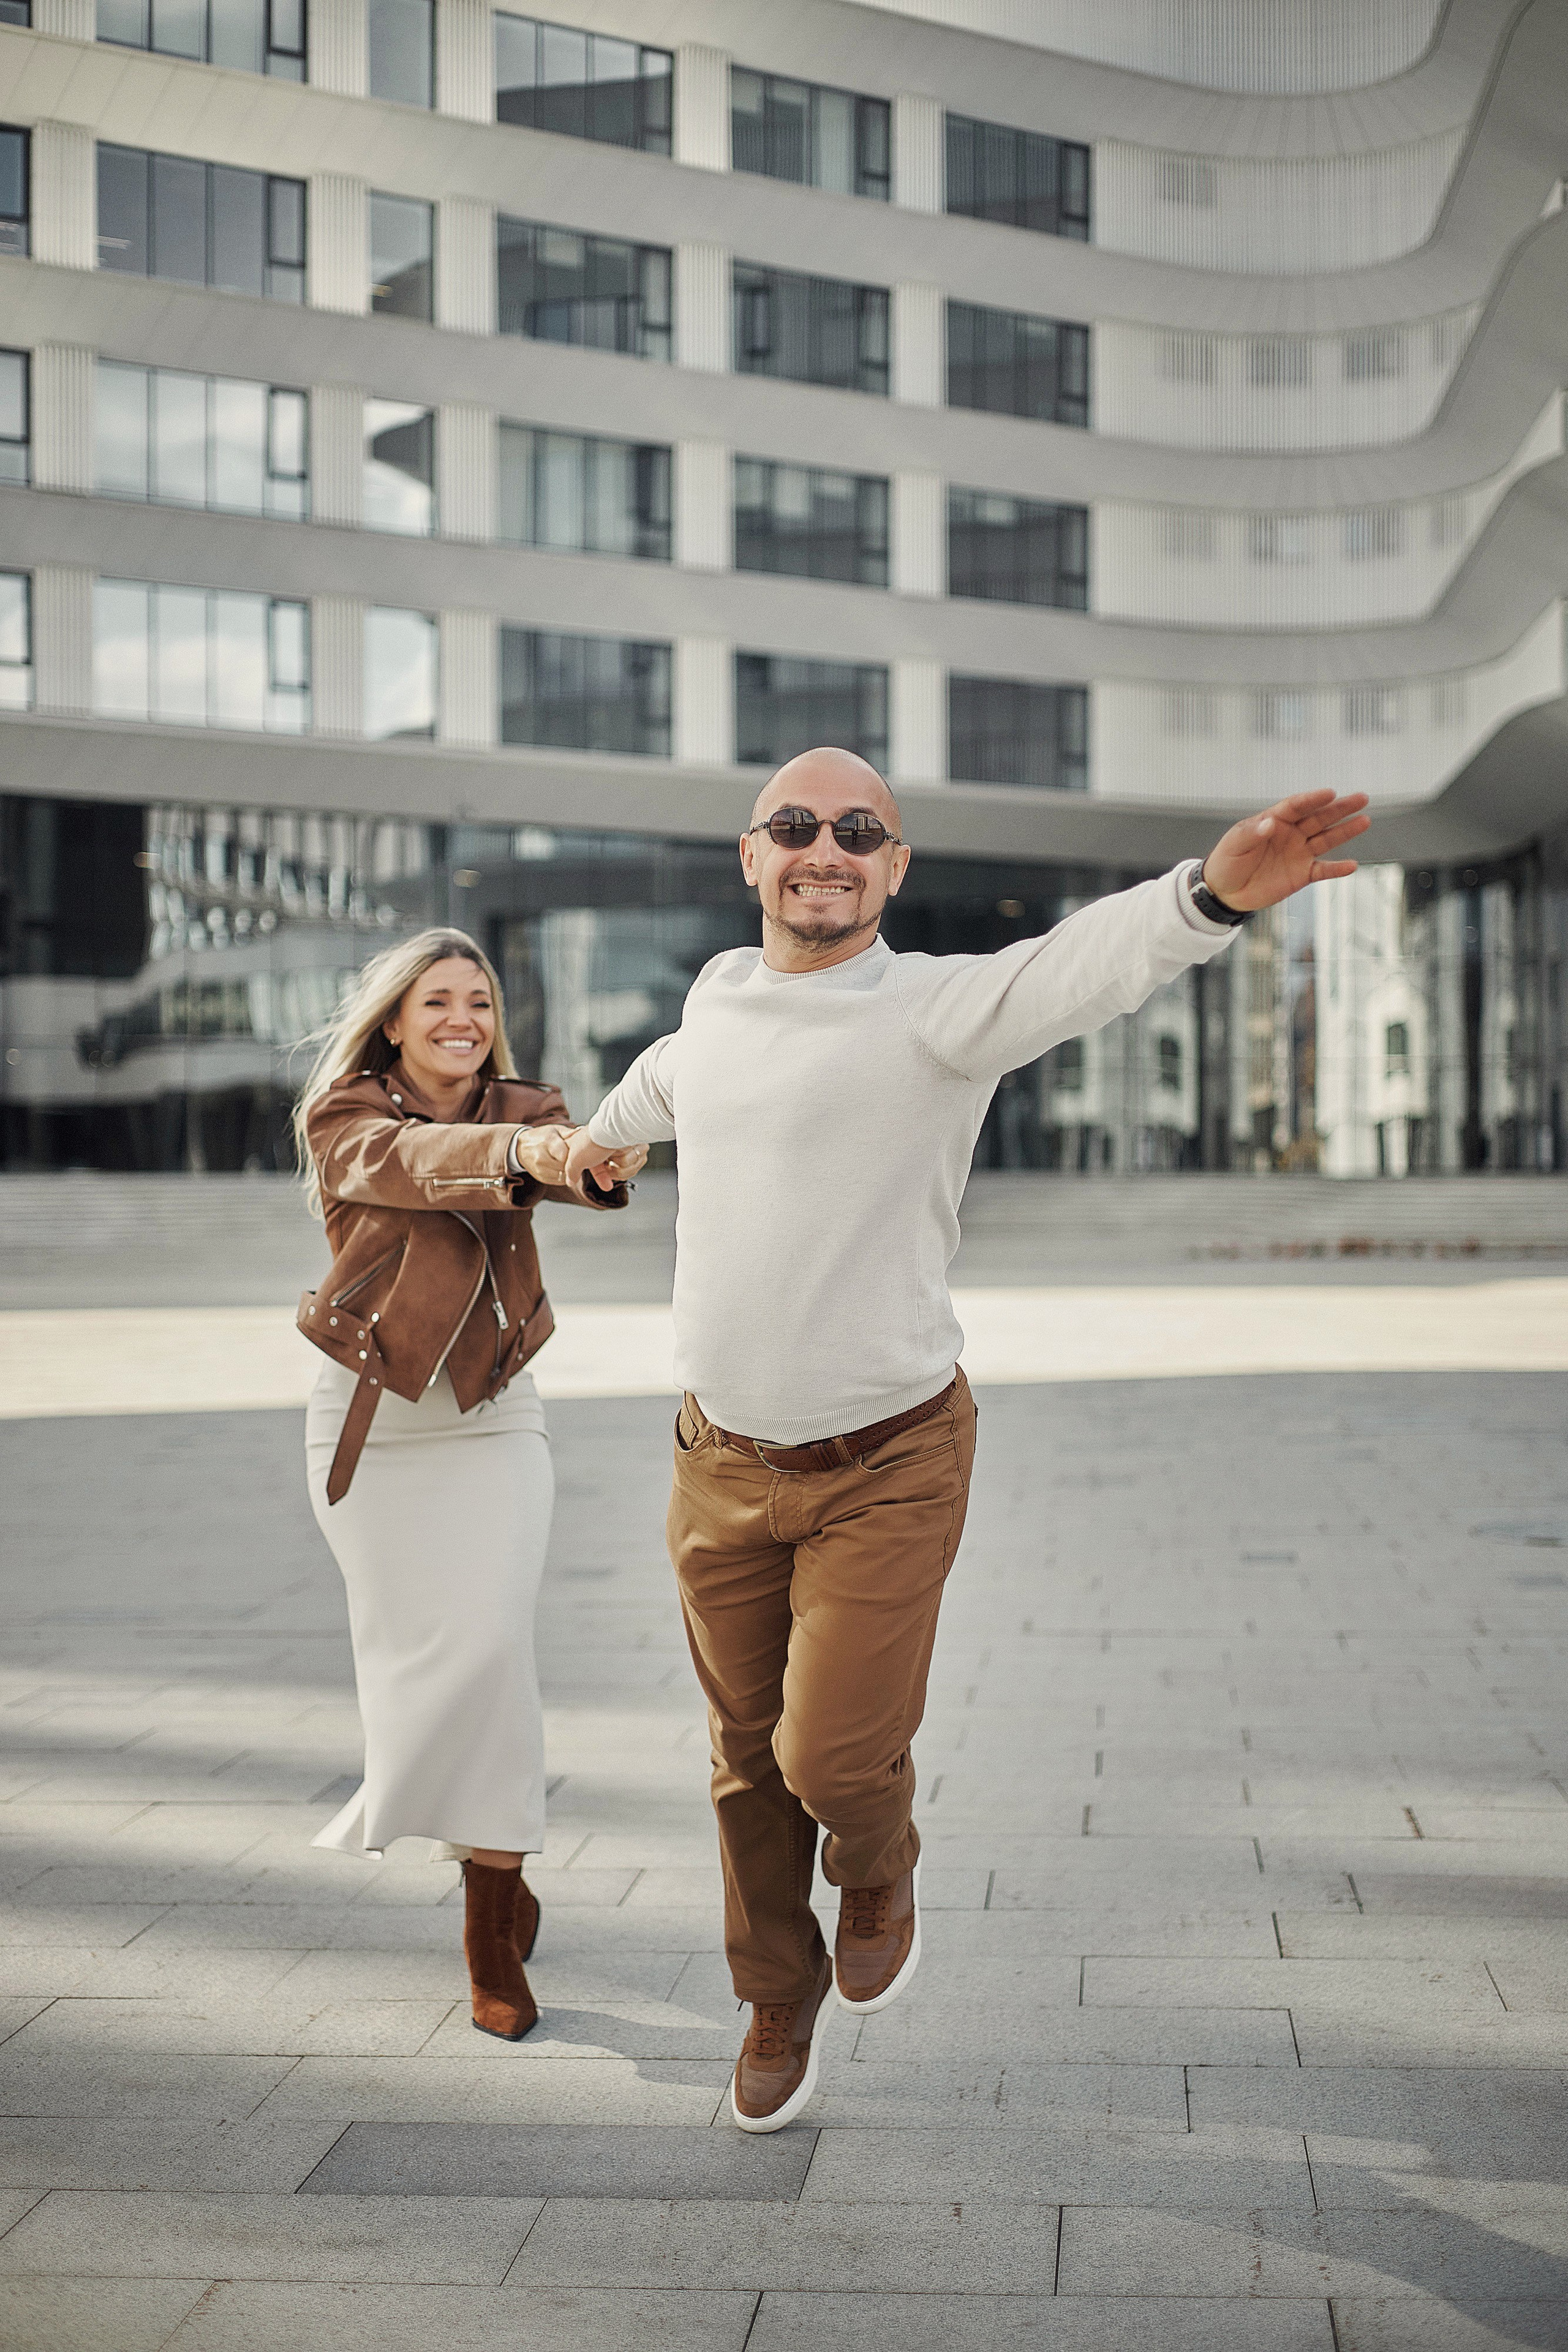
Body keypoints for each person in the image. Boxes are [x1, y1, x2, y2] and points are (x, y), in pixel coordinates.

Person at [562, 750, 1370, 2130]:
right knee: (742, 1755)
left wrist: (1207, 898)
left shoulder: (933, 1008)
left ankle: (876, 1863)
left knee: (826, 1757)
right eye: (797, 827)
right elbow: (666, 1078)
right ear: (749, 857)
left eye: (859, 831)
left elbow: (1075, 967)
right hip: (716, 1463)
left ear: (895, 867)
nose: (827, 848)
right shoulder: (716, 996)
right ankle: (774, 1992)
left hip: (886, 1461)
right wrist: (600, 1138)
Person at [293, 927, 645, 2040]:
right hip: (370, 1430)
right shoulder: (346, 1116)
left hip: (493, 1419)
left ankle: (490, 1922)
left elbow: (571, 1162)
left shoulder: (532, 1108)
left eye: (481, 1001)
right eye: (439, 1000)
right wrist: (530, 1159)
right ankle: (494, 1861)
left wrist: (592, 1156)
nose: (463, 1018)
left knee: (491, 1648)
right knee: (415, 1677)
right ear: (394, 1020)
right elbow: (411, 1168)